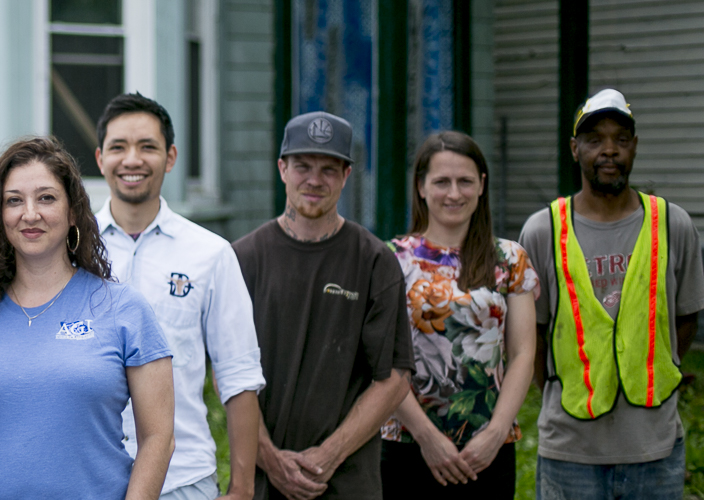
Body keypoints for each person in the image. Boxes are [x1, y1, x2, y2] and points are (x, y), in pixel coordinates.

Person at [0, 137, 177, 500]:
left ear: (73, 210)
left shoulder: (122, 308)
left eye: (46, 197)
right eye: (14, 200)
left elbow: (159, 438)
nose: (30, 214)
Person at [518, 88, 702, 500]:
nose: (609, 151)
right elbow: (533, 335)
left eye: (621, 140)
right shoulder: (542, 231)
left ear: (634, 147)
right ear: (574, 148)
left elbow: (685, 323)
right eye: (595, 139)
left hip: (654, 451)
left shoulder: (674, 225)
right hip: (570, 454)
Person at [91, 93, 266, 500]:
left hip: (182, 481)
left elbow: (239, 377)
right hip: (89, 478)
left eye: (147, 147)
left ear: (170, 158)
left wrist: (241, 489)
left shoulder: (210, 254)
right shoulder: (71, 249)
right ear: (100, 158)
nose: (132, 159)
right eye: (119, 147)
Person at [231, 111, 413, 500]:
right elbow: (226, 371)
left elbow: (394, 378)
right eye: (303, 166)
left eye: (329, 169)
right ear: (282, 168)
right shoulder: (242, 259)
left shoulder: (374, 261)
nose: (315, 180)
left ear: (347, 176)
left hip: (346, 483)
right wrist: (268, 456)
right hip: (261, 482)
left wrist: (328, 457)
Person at [377, 132, 537, 498]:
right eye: (441, 182)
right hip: (407, 444)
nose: (454, 193)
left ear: (481, 186)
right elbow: (382, 359)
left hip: (488, 449)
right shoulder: (390, 260)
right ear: (421, 187)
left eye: (465, 181)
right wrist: (427, 437)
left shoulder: (510, 259)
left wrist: (496, 433)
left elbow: (524, 353)